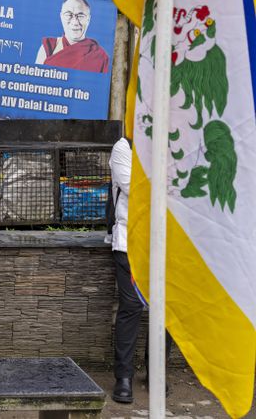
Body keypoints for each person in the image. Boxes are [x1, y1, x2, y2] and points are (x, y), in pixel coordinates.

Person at [109, 136, 172, 403]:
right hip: (130, 241)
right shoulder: (124, 147)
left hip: (168, 242)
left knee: (164, 308)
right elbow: (135, 187)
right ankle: (123, 377)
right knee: (132, 306)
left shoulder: (173, 144)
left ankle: (156, 371)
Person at [35, 0, 110, 73]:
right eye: (69, 15)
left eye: (80, 16)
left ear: (88, 19)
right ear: (61, 17)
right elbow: (36, 81)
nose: (75, 22)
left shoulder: (99, 56)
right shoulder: (49, 47)